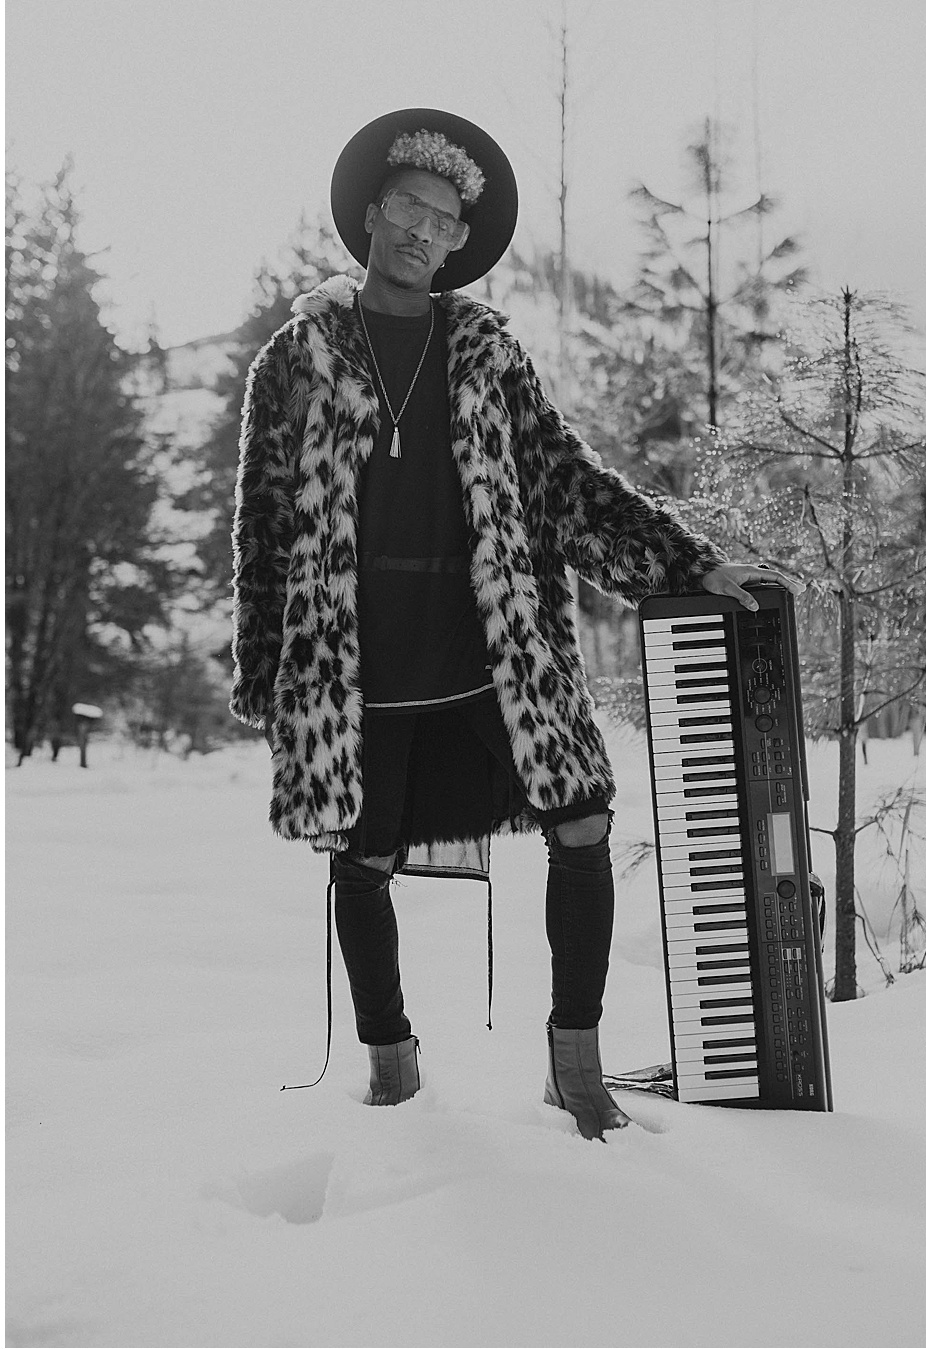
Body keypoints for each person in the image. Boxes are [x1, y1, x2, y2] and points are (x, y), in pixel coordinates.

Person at [230, 109, 786, 1140]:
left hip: (496, 649)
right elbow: (263, 521)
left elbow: (565, 483)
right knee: (363, 860)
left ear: (458, 243)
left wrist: (688, 565)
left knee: (582, 820)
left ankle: (575, 1067)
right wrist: (269, 673)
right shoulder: (297, 358)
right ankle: (392, 1067)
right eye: (410, 207)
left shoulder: (487, 350)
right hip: (356, 659)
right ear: (371, 212)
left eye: (445, 221)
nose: (424, 231)